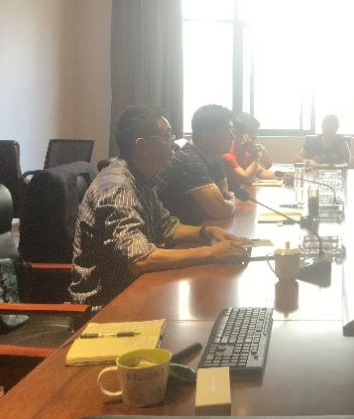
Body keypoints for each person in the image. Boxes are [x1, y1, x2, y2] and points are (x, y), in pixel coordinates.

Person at [70, 105, 250, 307]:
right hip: (104, 307)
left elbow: (167, 226)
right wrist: (212, 253)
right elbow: (138, 259)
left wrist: (207, 233)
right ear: (142, 146)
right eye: (167, 136)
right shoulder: (119, 187)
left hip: (136, 291)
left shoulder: (141, 178)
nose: (174, 144)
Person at [155, 104, 238, 225]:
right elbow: (220, 210)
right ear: (206, 136)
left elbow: (224, 194)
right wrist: (233, 202)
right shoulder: (188, 159)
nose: (232, 137)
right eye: (227, 131)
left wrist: (227, 201)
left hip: (192, 225)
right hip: (169, 232)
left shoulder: (214, 156)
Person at [222, 112, 276, 188]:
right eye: (253, 134)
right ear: (241, 133)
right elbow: (246, 178)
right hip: (232, 193)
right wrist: (256, 155)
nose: (255, 138)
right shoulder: (227, 153)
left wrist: (283, 177)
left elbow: (260, 171)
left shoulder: (246, 150)